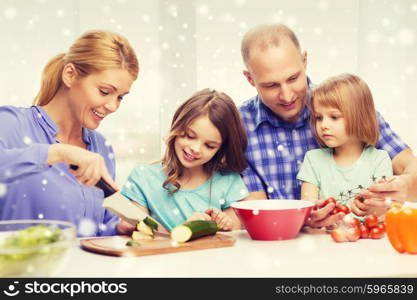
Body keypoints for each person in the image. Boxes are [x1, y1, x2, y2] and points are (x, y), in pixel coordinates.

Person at [238, 24, 417, 228]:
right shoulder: (239, 127)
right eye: (271, 85)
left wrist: (404, 186)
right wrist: (303, 216)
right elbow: (255, 212)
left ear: (305, 61)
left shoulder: (347, 106)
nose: (287, 95)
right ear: (250, 78)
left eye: (293, 78)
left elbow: (409, 166)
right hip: (280, 246)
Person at [0, 30, 139, 236]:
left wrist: (117, 227)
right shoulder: (12, 124)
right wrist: (59, 153)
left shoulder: (101, 147)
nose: (113, 106)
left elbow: (93, 230)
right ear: (70, 75)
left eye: (120, 97)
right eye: (104, 91)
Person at [120, 89, 249, 231]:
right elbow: (140, 233)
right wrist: (186, 229)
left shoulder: (228, 181)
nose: (196, 149)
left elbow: (234, 232)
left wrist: (224, 223)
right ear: (177, 126)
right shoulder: (143, 178)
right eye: (189, 136)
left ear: (220, 148)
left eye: (209, 146)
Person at [297, 73, 393, 219]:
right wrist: (316, 211)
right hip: (323, 240)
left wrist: (370, 207)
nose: (323, 125)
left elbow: (385, 209)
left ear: (359, 117)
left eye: (334, 117)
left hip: (367, 240)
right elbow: (308, 206)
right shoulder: (313, 159)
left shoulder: (379, 160)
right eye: (319, 118)